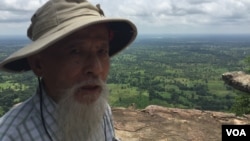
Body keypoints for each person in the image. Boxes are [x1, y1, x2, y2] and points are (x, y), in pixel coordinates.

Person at [0, 0, 137, 140]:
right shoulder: (12, 135)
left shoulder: (99, 109)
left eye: (102, 51)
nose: (96, 68)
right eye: (76, 51)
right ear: (38, 64)